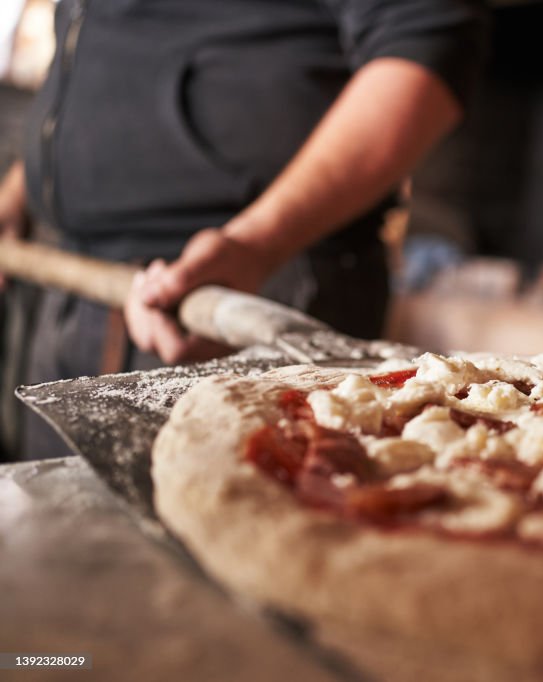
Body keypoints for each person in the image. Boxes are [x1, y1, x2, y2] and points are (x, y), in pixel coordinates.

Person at [0, 0, 488, 459]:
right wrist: (24, 187)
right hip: (74, 287)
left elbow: (424, 36)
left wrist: (255, 244)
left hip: (233, 295)